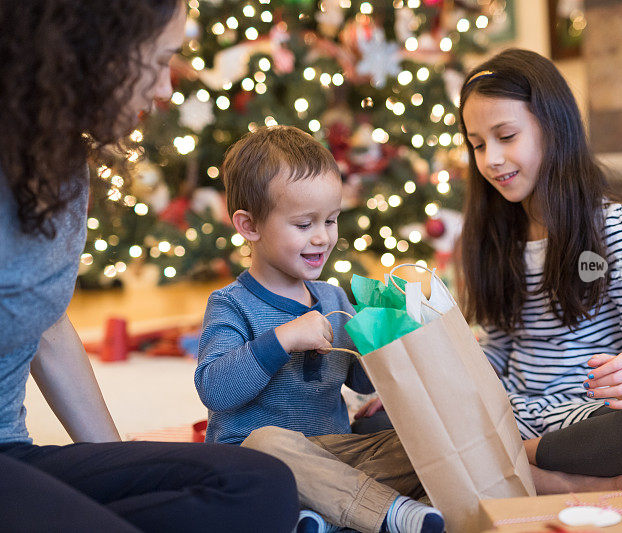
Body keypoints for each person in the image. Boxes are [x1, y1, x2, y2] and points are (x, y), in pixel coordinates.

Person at [0, 1, 299, 530]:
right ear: (91, 54)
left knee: (262, 485)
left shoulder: (60, 162)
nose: (164, 88)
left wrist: (112, 464)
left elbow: (43, 319)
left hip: (14, 456)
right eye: (157, 60)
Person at [456, 48, 622, 493]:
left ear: (555, 127)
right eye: (477, 144)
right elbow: (498, 344)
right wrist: (443, 377)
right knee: (391, 416)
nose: (490, 159)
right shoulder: (489, 235)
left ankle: (519, 460)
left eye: (506, 136)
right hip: (512, 409)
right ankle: (558, 477)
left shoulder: (620, 227)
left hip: (586, 414)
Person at [195, 125, 444, 533]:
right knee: (264, 445)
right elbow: (215, 389)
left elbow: (361, 381)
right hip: (259, 466)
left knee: (424, 439)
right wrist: (283, 339)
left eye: (330, 220)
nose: (322, 238)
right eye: (303, 224)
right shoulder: (231, 304)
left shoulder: (333, 299)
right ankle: (387, 514)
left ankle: (321, 516)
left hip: (335, 461)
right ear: (249, 226)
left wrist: (390, 347)